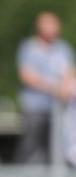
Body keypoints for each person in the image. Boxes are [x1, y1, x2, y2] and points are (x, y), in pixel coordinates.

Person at [16, 11, 75, 164]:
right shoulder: (29, 47)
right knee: (32, 146)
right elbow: (27, 76)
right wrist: (54, 88)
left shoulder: (63, 49)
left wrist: (64, 88)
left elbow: (69, 73)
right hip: (36, 107)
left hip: (60, 108)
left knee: (57, 148)